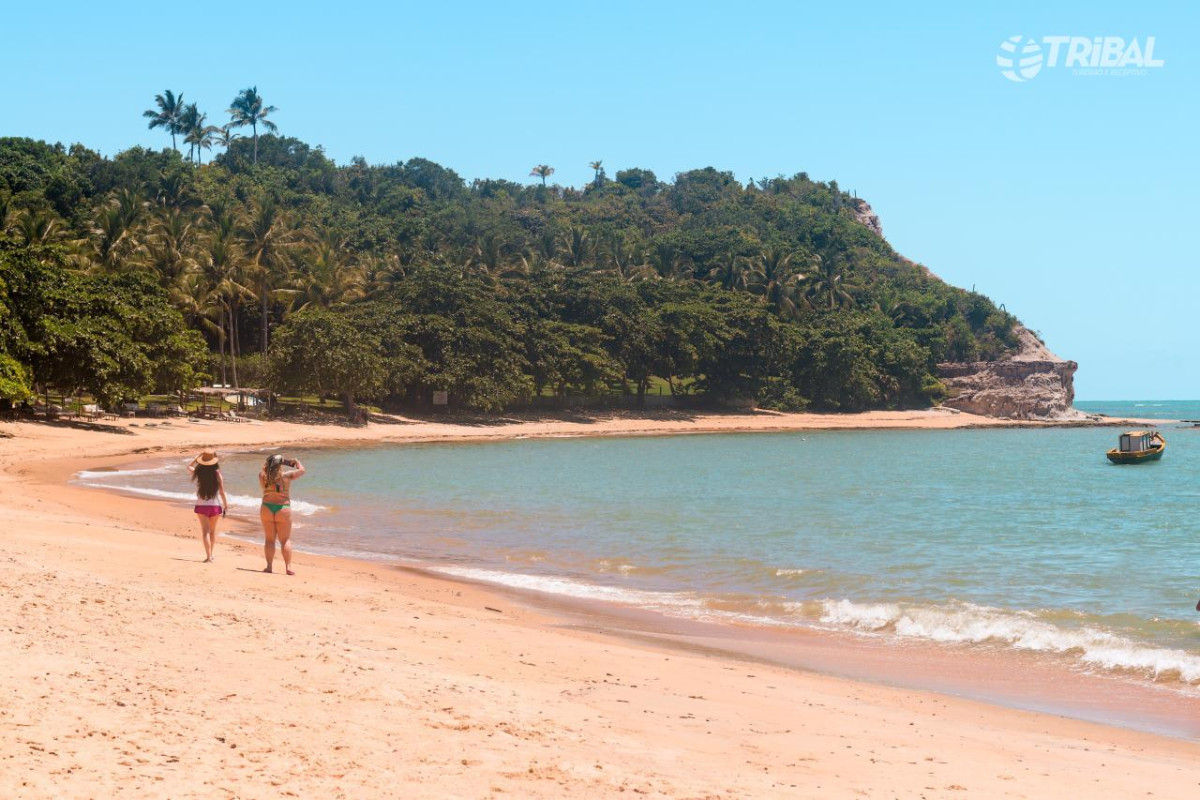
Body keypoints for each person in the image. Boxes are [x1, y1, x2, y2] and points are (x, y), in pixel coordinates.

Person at [259, 453, 306, 575]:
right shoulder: (286, 476)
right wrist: (295, 462)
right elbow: (302, 471)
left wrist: (275, 462)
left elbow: (264, 481)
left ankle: (269, 566)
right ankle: (288, 567)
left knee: (269, 540)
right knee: (284, 540)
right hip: (282, 508)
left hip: (267, 507)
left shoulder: (262, 476)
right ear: (280, 465)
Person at [187, 451, 229, 563]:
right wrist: (226, 505)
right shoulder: (217, 474)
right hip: (215, 506)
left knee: (205, 531)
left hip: (201, 505)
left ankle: (209, 556)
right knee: (212, 532)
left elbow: (189, 466)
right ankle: (212, 554)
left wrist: (197, 458)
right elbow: (222, 492)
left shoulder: (199, 472)